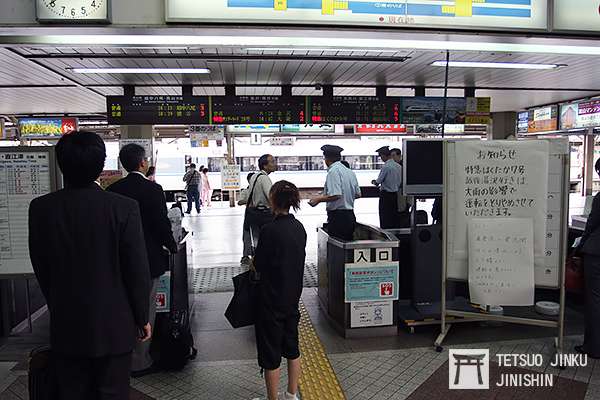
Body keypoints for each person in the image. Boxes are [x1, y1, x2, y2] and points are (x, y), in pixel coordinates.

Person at [29, 131, 151, 400]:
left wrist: (59, 303)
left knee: (72, 393)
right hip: (115, 326)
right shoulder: (123, 208)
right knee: (115, 393)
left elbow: (42, 267)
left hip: (67, 325)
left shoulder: (41, 209)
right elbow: (136, 269)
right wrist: (141, 317)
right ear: (101, 165)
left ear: (61, 165)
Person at [107, 144, 178, 377]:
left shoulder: (113, 190)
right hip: (148, 259)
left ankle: (120, 357)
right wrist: (171, 244)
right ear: (142, 163)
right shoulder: (153, 190)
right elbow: (161, 224)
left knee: (121, 308)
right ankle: (140, 361)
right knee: (146, 309)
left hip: (118, 261)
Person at [254, 180, 307, 400]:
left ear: (273, 200)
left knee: (270, 354)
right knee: (292, 348)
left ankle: (272, 399)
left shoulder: (269, 230)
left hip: (270, 300)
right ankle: (291, 394)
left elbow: (259, 264)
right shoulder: (299, 228)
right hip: (292, 298)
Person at [309, 145, 361, 241]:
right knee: (347, 248)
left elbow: (336, 195)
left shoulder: (333, 171)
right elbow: (358, 194)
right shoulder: (349, 172)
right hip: (350, 215)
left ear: (326, 159)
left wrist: (318, 199)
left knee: (337, 248)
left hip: (338, 217)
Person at [576, 157, 600, 359]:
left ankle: (592, 346)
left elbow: (591, 225)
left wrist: (580, 247)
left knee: (594, 300)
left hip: (596, 253)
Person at [246, 154, 277, 248]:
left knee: (257, 241)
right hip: (264, 215)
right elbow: (271, 196)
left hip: (254, 214)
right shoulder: (264, 178)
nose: (275, 164)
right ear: (265, 165)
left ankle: (258, 260)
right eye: (272, 162)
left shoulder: (254, 176)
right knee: (268, 242)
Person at [372, 146, 403, 229]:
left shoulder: (386, 167)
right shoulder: (399, 167)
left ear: (385, 156)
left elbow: (378, 182)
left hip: (386, 196)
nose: (381, 158)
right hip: (395, 195)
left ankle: (386, 237)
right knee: (394, 218)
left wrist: (373, 181)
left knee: (385, 218)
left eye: (381, 156)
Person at [238, 172, 256, 265]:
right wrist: (250, 200)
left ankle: (257, 254)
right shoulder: (245, 191)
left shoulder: (259, 190)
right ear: (249, 181)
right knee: (247, 235)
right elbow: (240, 202)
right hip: (249, 214)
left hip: (260, 214)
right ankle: (245, 256)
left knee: (258, 235)